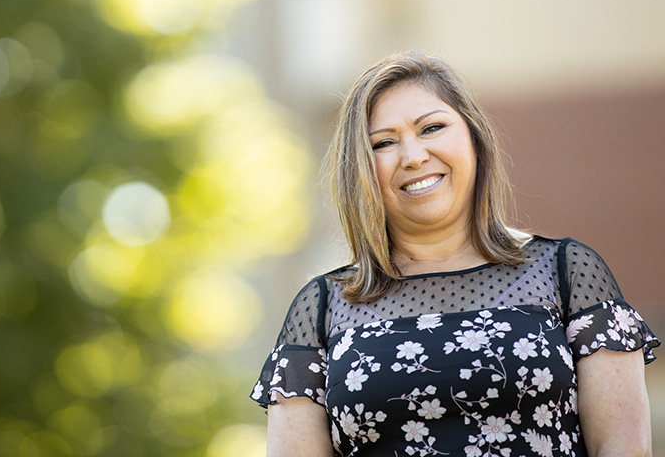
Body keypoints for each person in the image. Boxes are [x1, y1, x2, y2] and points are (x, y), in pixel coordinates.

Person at [250, 50, 660, 456]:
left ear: (473, 137)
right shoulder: (322, 308)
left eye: (431, 128)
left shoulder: (567, 274)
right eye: (384, 143)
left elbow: (623, 447)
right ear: (359, 168)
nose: (413, 157)